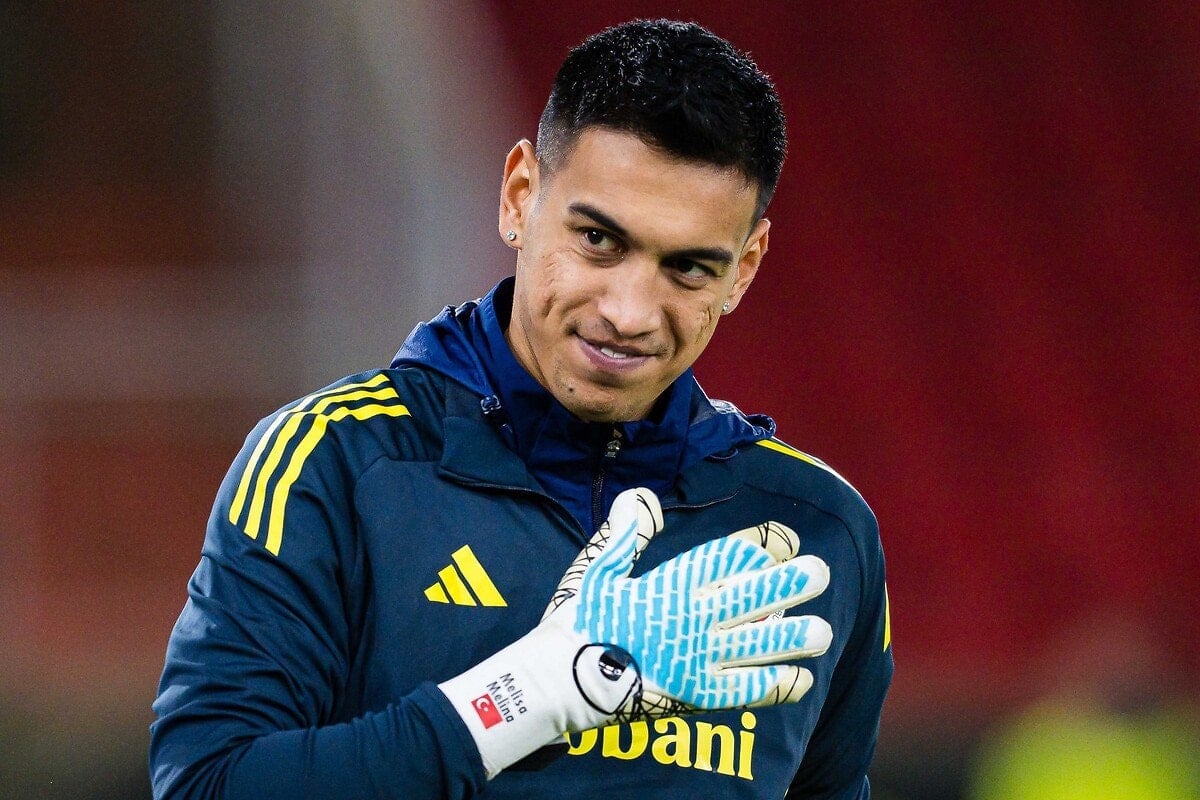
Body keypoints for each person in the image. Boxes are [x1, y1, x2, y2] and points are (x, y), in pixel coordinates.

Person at [150, 18, 893, 800]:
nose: (629, 312)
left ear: (744, 269)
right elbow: (206, 786)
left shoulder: (820, 531)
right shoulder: (334, 466)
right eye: (599, 240)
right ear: (518, 197)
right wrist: (530, 694)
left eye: (688, 269)